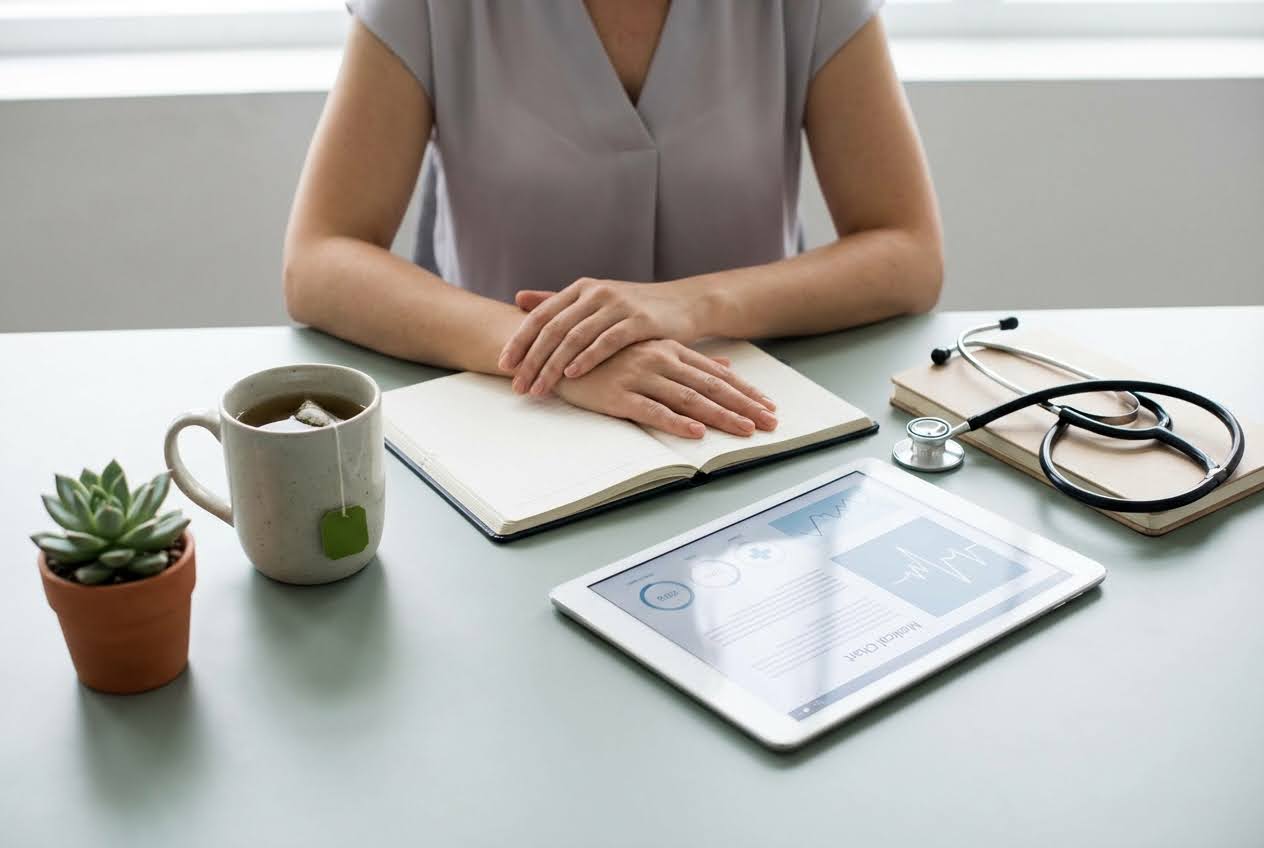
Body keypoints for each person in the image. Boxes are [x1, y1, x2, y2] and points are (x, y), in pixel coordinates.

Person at [283, 0, 943, 439]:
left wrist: (689, 306)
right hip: (512, 417)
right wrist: (560, 357)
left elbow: (907, 250)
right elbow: (320, 259)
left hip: (748, 417)